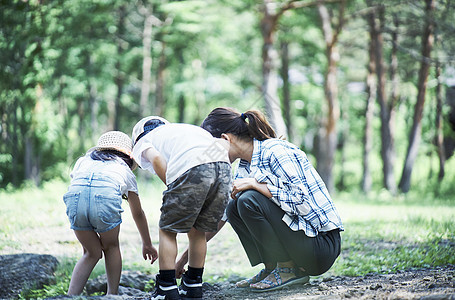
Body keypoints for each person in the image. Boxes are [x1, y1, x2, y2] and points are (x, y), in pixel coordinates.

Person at [197, 107, 344, 292]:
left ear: (226, 138)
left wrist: (258, 185)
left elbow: (303, 203)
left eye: (211, 146)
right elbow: (222, 217)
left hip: (320, 245)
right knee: (234, 205)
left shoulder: (276, 151)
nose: (211, 154)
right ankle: (273, 268)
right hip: (300, 242)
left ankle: (286, 269)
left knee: (248, 199)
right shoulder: (244, 165)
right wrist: (184, 260)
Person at [131, 116, 231, 300]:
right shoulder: (182, 129)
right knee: (198, 229)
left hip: (193, 167)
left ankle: (166, 288)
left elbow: (157, 159)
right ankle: (193, 285)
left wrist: (172, 187)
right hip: (224, 168)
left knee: (168, 229)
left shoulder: (144, 141)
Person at [63, 131, 158, 295]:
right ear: (128, 157)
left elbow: (80, 186)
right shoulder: (124, 170)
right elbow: (138, 213)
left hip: (75, 200)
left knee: (90, 252)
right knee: (111, 246)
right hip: (104, 197)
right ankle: (112, 295)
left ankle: (71, 296)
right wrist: (147, 243)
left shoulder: (82, 161)